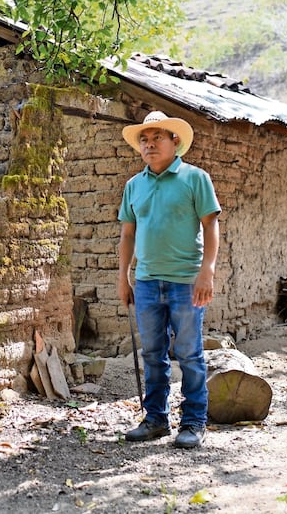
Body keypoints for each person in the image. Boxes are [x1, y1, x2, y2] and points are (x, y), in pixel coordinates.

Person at [117, 110, 221, 449]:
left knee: (189, 353)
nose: (149, 145)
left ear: (174, 141)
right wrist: (123, 276)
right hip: (146, 281)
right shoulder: (134, 185)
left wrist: (208, 269)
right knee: (153, 353)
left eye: (156, 138)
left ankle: (193, 422)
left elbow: (210, 225)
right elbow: (128, 234)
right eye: (144, 140)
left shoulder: (195, 178)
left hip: (186, 281)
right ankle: (155, 419)